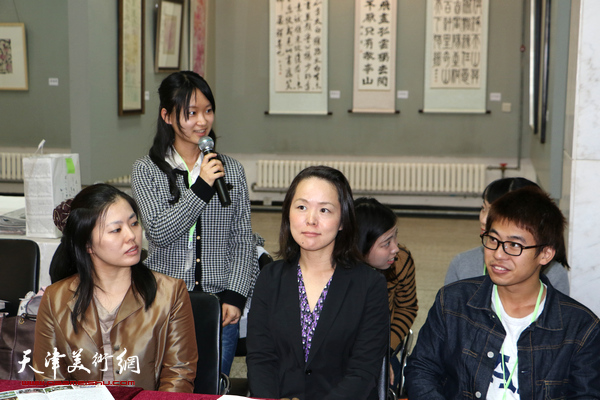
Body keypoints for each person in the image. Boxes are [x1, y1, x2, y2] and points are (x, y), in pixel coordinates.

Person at [405, 187, 600, 399]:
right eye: (493, 240)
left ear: (545, 254)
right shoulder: (453, 302)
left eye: (514, 245)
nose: (498, 254)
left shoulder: (581, 328)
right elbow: (421, 370)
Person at [131, 71, 258, 376]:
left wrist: (235, 296)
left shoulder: (232, 171)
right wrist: (201, 186)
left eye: (208, 111)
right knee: (165, 387)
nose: (202, 121)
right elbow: (159, 232)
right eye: (191, 113)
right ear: (167, 116)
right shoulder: (146, 171)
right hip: (164, 306)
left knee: (213, 386)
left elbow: (242, 240)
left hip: (219, 307)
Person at [33, 184, 197, 392]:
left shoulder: (171, 292)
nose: (132, 236)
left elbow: (178, 376)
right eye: (116, 230)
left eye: (134, 223)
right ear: (87, 244)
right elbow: (50, 380)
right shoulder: (55, 298)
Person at [246, 166, 389, 400]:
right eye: (301, 207)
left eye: (324, 210)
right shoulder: (269, 278)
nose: (310, 220)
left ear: (342, 220)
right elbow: (261, 359)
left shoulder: (370, 285)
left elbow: (363, 371)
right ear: (288, 213)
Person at [444, 177, 570, 295]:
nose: (484, 219)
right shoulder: (462, 264)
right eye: (483, 208)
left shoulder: (554, 275)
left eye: (514, 245)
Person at [354, 197, 418, 388]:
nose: (395, 248)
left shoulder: (401, 260)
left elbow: (407, 307)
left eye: (395, 237)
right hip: (344, 350)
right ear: (359, 247)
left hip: (383, 342)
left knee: (389, 380)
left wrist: (384, 352)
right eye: (386, 243)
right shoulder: (334, 272)